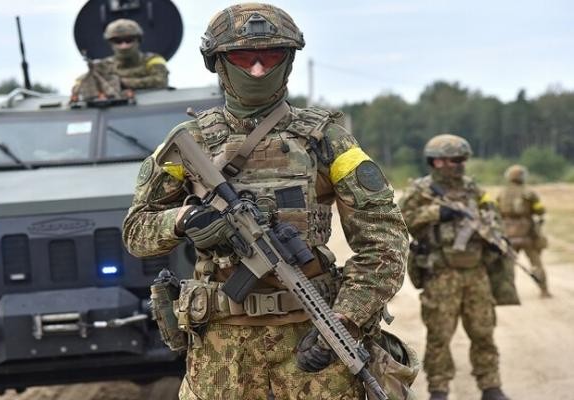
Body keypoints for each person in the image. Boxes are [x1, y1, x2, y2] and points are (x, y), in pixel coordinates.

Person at [123, 3, 413, 399]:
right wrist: (184, 219)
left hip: (312, 345)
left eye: (271, 56)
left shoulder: (326, 140)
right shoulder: (191, 142)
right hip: (221, 356)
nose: (258, 70)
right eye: (245, 58)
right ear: (218, 63)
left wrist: (345, 320)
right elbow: (136, 232)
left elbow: (386, 242)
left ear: (289, 61)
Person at [399, 134, 511, 400]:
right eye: (455, 159)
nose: (461, 164)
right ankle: (438, 389)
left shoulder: (473, 189)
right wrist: (436, 213)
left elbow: (493, 217)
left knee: (483, 332)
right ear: (437, 161)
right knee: (439, 336)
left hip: (476, 272)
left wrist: (497, 239)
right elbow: (400, 221)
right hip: (441, 273)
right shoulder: (420, 191)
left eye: (463, 159)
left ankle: (491, 386)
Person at [71, 19, 168, 101]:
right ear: (111, 44)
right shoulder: (103, 66)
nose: (124, 46)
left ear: (138, 40)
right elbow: (79, 85)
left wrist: (121, 83)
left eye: (129, 40)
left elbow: (160, 81)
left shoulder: (152, 60)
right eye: (118, 41)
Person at [497, 164, 550, 297]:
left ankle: (508, 293)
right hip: (527, 234)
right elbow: (540, 210)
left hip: (508, 234)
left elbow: (495, 212)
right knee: (536, 263)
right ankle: (544, 290)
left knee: (508, 265)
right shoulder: (529, 193)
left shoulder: (502, 193)